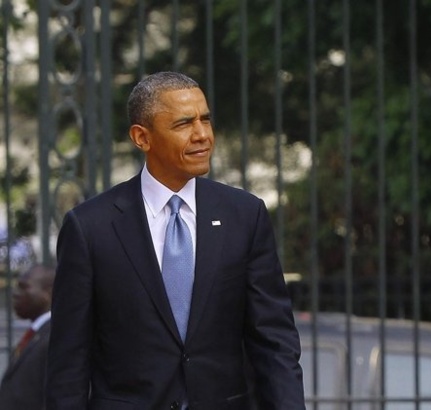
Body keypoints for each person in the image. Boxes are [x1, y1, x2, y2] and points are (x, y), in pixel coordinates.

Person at [46, 72, 305, 409]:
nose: (202, 135)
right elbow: (69, 361)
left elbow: (274, 342)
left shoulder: (245, 215)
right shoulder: (90, 227)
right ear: (142, 137)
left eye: (206, 120)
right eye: (184, 123)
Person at [0, 264, 55, 410]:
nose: (16, 293)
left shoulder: (53, 338)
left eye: (24, 287)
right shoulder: (36, 334)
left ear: (48, 293)